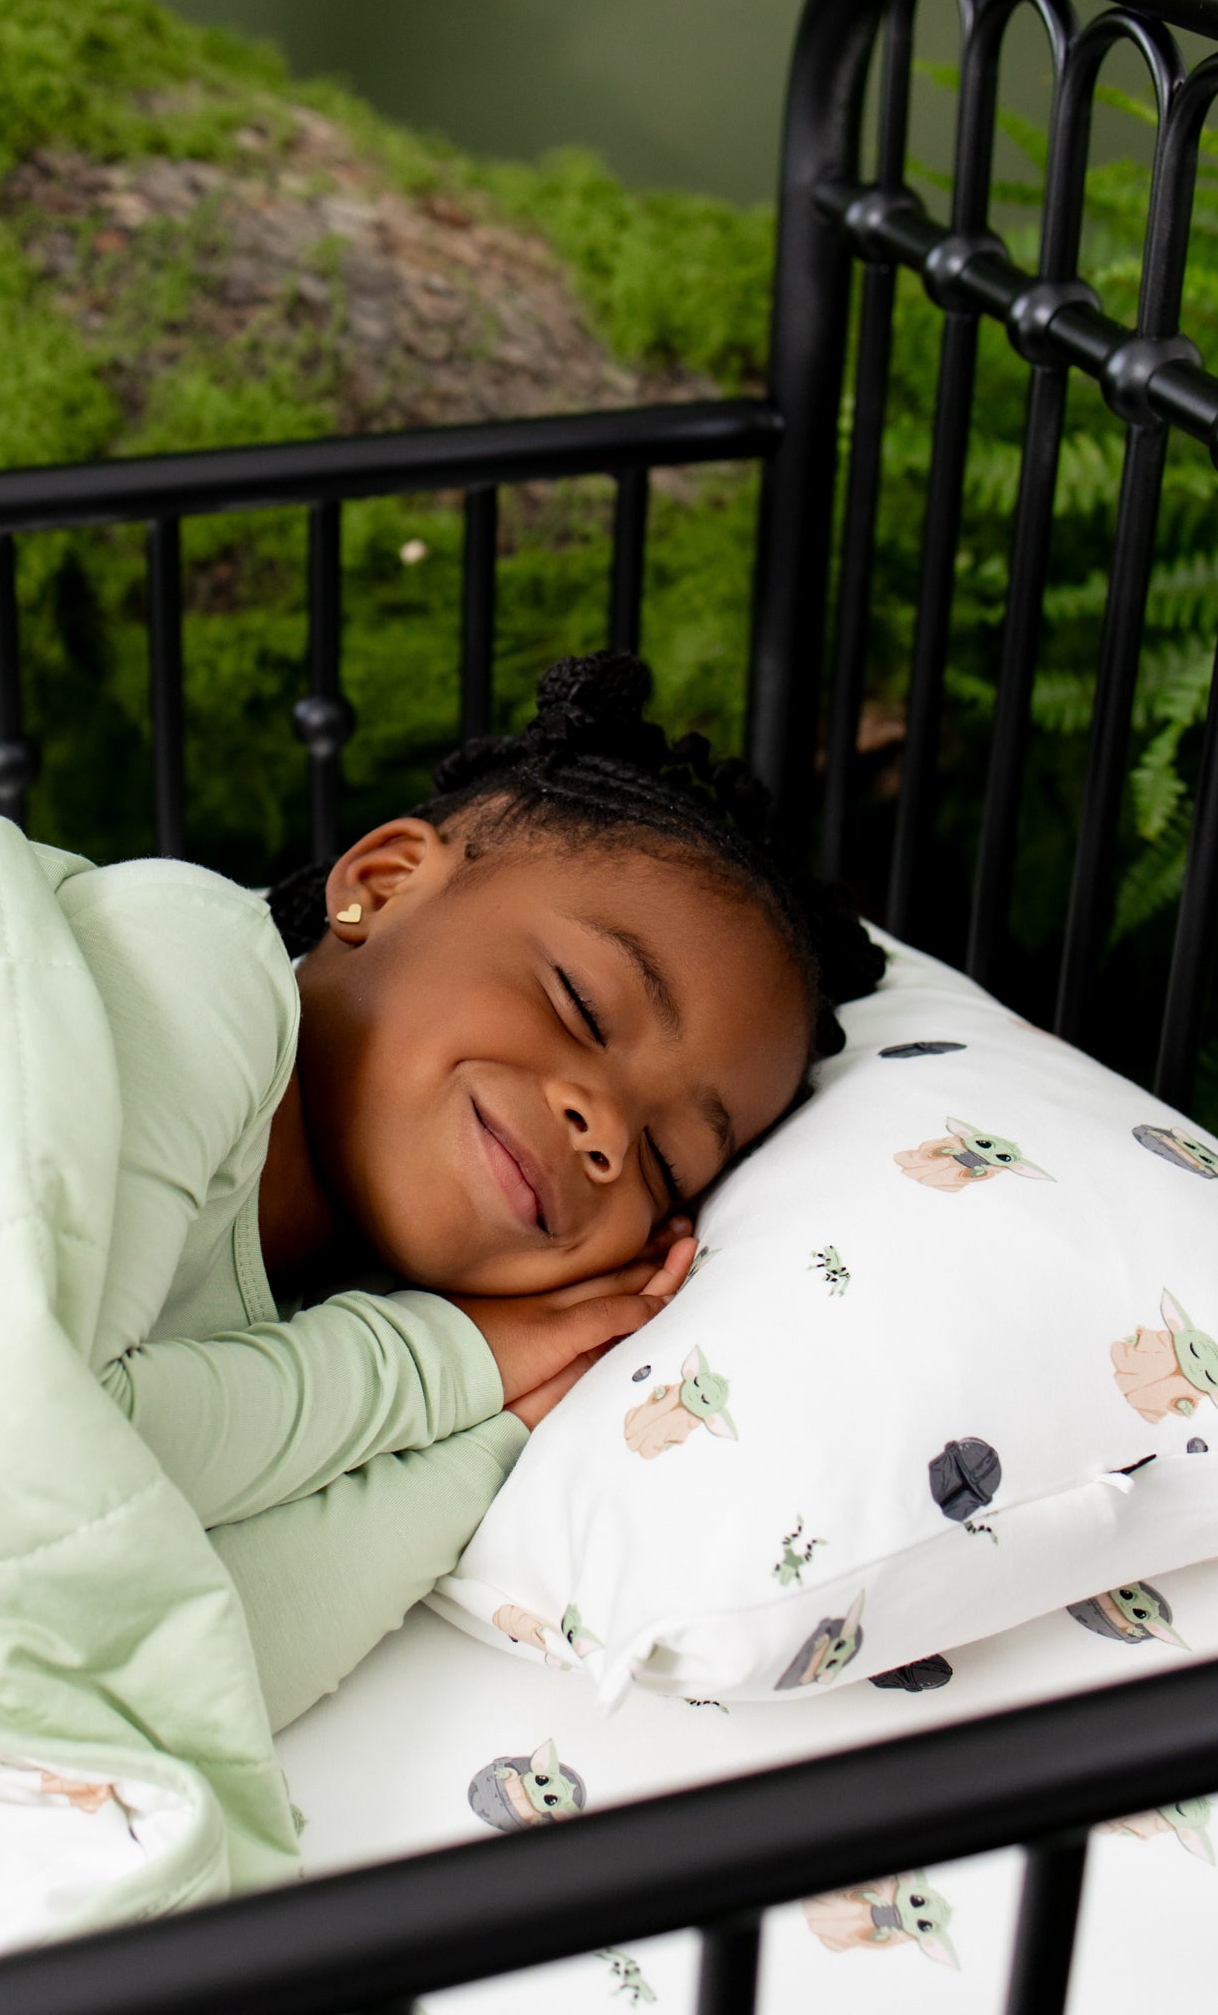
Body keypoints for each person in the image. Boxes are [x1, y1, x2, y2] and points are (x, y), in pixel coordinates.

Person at [91, 650, 884, 1731]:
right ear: (382, 885)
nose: (605, 1131)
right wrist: (447, 1360)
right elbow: (45, 1455)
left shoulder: (294, 1335)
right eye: (582, 1007)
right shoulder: (174, 976)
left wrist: (499, 1429)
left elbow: (148, 1689)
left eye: (664, 1164)